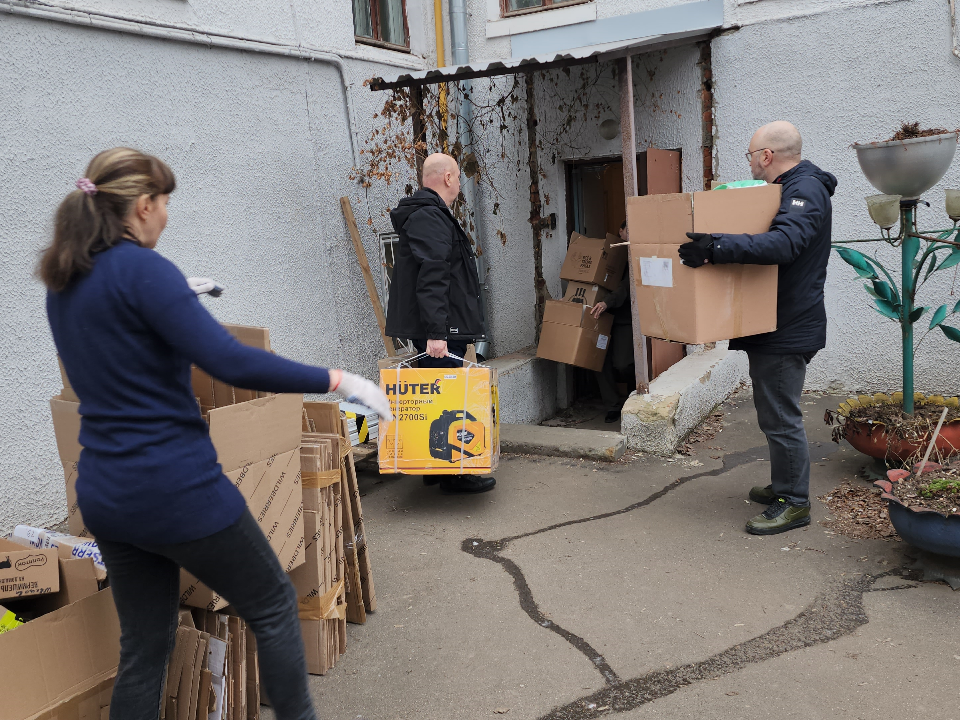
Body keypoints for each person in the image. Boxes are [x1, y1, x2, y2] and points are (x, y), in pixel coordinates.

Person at [40, 148, 392, 720]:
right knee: (275, 603)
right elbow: (231, 362)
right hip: (174, 489)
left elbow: (118, 349)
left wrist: (177, 299)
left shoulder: (65, 281)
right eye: (165, 203)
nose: (169, 217)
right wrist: (337, 379)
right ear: (142, 205)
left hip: (106, 493)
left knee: (146, 645)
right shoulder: (144, 271)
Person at [677, 121, 837, 536]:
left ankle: (794, 503)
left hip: (787, 328)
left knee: (781, 418)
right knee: (772, 414)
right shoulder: (787, 188)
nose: (749, 161)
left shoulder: (804, 190)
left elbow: (784, 244)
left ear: (767, 155)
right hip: (774, 325)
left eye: (750, 154)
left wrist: (715, 247)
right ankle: (785, 485)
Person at [384, 152, 494, 494]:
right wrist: (437, 335)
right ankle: (454, 474)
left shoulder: (428, 215)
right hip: (443, 332)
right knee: (449, 402)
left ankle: (436, 469)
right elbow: (432, 277)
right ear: (447, 178)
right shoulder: (430, 216)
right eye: (459, 178)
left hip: (445, 327)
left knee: (442, 401)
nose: (460, 184)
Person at [591, 220, 635, 423]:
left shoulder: (634, 256)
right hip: (600, 317)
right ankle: (612, 406)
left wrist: (607, 302)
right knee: (600, 362)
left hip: (623, 318)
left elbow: (626, 288)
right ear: (620, 231)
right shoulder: (608, 254)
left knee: (623, 364)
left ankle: (633, 397)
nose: (631, 234)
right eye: (628, 230)